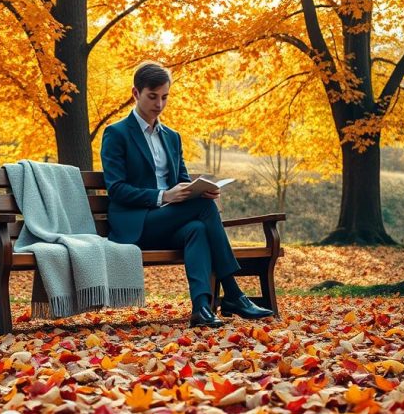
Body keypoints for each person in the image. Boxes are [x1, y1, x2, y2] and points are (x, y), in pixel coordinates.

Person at [100, 61, 274, 328]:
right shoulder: (116, 133)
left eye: (165, 97)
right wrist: (164, 196)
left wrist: (201, 191)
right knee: (203, 211)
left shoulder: (172, 137)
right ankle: (233, 293)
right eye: (152, 96)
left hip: (171, 222)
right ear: (136, 93)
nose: (159, 104)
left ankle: (201, 308)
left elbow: (182, 181)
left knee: (197, 228)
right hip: (136, 225)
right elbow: (116, 189)